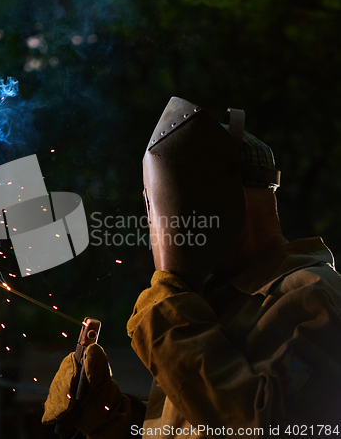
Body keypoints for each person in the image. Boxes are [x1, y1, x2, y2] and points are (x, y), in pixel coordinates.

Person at [42, 97, 341, 438]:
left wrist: (168, 319)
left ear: (222, 198)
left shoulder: (314, 297)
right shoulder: (219, 305)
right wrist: (109, 417)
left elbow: (263, 426)